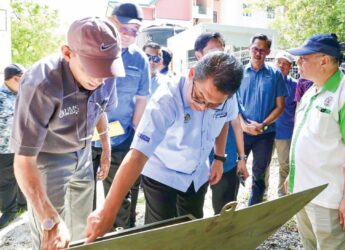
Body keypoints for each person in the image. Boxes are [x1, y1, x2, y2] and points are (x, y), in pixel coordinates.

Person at [85, 51, 244, 242]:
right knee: (161, 236)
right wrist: (107, 211)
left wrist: (218, 158)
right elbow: (137, 155)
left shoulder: (226, 98)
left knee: (191, 231)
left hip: (196, 173)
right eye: (200, 96)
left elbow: (224, 120)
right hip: (162, 173)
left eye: (212, 105)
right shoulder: (167, 98)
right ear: (192, 74)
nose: (203, 107)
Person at [10, 17, 124, 249]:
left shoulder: (105, 75)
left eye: (106, 70)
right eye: (92, 69)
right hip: (47, 160)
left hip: (84, 152)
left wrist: (105, 147)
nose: (99, 79)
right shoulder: (40, 84)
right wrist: (50, 220)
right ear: (67, 53)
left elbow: (100, 108)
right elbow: (23, 159)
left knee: (82, 231)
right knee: (51, 235)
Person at [287, 33, 345, 249]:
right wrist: (292, 178)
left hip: (328, 200)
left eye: (304, 57)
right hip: (303, 194)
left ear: (323, 61)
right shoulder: (311, 91)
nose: (298, 62)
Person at [92, 2, 150, 229]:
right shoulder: (93, 47)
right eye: (124, 28)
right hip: (85, 138)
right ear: (111, 22)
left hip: (120, 138)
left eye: (134, 31)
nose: (128, 35)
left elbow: (142, 99)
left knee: (119, 194)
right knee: (82, 194)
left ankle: (119, 235)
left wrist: (134, 132)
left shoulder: (140, 60)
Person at [193, 32, 249, 214]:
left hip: (226, 158)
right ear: (198, 55)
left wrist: (241, 158)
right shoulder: (185, 88)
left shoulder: (229, 85)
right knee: (189, 215)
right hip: (194, 163)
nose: (220, 56)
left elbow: (233, 122)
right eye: (213, 51)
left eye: (221, 51)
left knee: (225, 211)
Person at [238, 34, 287, 206]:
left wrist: (263, 125)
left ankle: (253, 210)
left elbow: (280, 106)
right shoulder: (239, 73)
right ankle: (229, 209)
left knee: (259, 173)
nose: (258, 53)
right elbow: (231, 103)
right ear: (249, 49)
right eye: (255, 49)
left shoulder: (275, 75)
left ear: (268, 52)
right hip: (241, 132)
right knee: (234, 170)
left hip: (265, 134)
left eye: (262, 50)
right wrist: (243, 125)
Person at [0, 64, 27, 229]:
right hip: (3, 148)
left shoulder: (22, 94)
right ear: (15, 78)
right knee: (5, 181)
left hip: (21, 146)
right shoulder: (1, 97)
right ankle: (10, 210)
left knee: (21, 176)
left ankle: (22, 204)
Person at [266, 51, 297, 197]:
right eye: (279, 62)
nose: (281, 65)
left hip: (285, 132)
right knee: (263, 164)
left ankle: (282, 194)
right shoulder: (267, 81)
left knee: (284, 165)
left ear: (290, 67)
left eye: (285, 63)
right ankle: (261, 192)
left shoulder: (295, 85)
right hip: (266, 130)